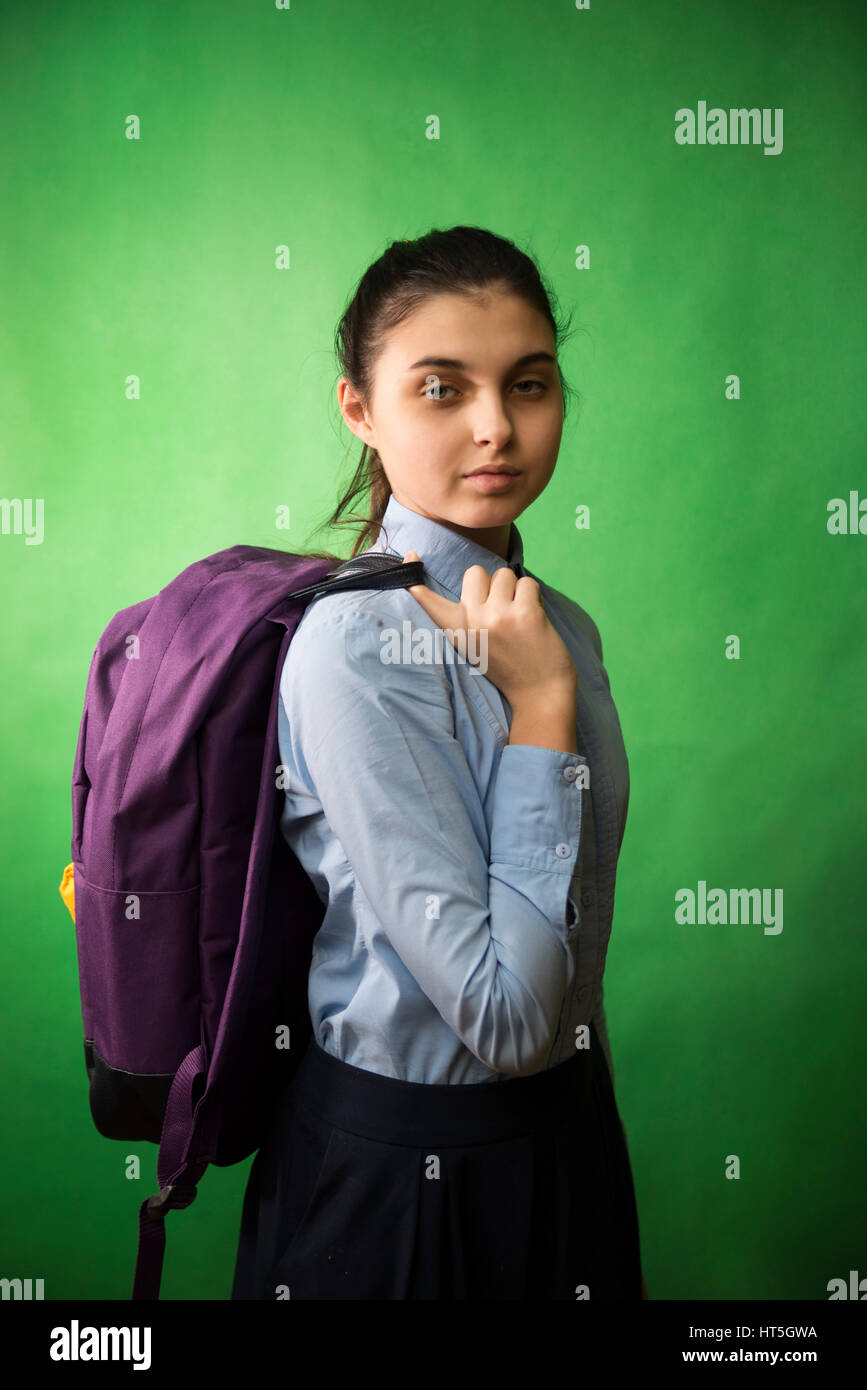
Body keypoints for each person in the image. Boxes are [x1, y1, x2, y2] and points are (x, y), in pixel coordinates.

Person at [231, 225, 646, 1301]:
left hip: (572, 1138)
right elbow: (506, 1019)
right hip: (406, 1178)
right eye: (440, 388)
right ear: (360, 411)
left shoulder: (564, 625)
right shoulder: (356, 647)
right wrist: (542, 707)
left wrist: (547, 676)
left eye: (530, 383)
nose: (496, 427)